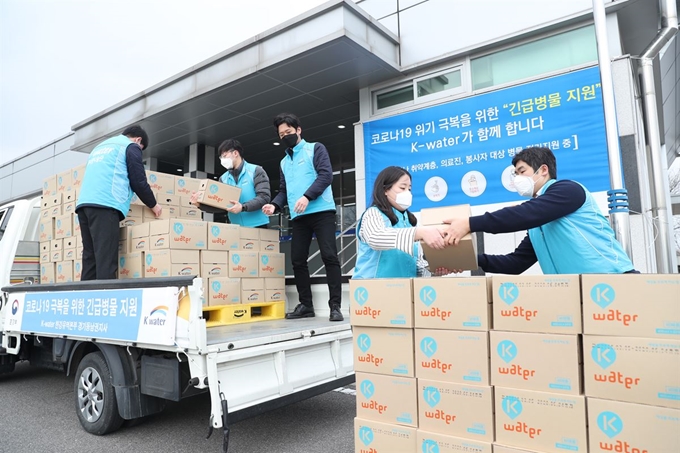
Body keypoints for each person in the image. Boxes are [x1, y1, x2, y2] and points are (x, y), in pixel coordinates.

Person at [442, 146, 636, 274]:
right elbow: (515, 263)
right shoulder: (538, 225)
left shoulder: (567, 190)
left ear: (543, 170)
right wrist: (468, 260)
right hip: (576, 294)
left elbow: (523, 214)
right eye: (515, 174)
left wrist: (468, 224)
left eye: (521, 171)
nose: (517, 178)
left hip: (613, 280)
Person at [262, 113, 343, 321]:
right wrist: (274, 204)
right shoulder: (283, 162)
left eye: (288, 132)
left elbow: (326, 175)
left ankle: (335, 306)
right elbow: (283, 190)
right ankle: (306, 305)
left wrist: (307, 196)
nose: (285, 136)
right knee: (298, 260)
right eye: (281, 135)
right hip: (299, 217)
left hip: (322, 211)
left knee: (329, 256)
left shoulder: (315, 148)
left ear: (298, 130)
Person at [76, 125, 162, 280]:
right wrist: (153, 205)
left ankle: (86, 299)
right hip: (106, 204)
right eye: (141, 148)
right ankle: (106, 300)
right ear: (138, 140)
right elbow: (138, 180)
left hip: (84, 205)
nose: (139, 151)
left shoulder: (101, 147)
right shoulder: (130, 146)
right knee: (106, 259)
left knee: (90, 258)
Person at [353, 166, 449, 279]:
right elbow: (376, 237)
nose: (407, 193)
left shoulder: (409, 222)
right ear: (385, 190)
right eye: (402, 188)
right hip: (372, 288)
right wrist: (419, 233)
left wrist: (433, 272)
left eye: (409, 189)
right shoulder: (373, 213)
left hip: (401, 289)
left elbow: (413, 264)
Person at [191, 138, 271, 228]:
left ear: (235, 153)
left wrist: (243, 207)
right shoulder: (223, 178)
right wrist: (199, 204)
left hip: (258, 225)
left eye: (225, 156)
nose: (222, 160)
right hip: (235, 227)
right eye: (221, 158)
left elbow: (264, 197)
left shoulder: (256, 171)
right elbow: (220, 205)